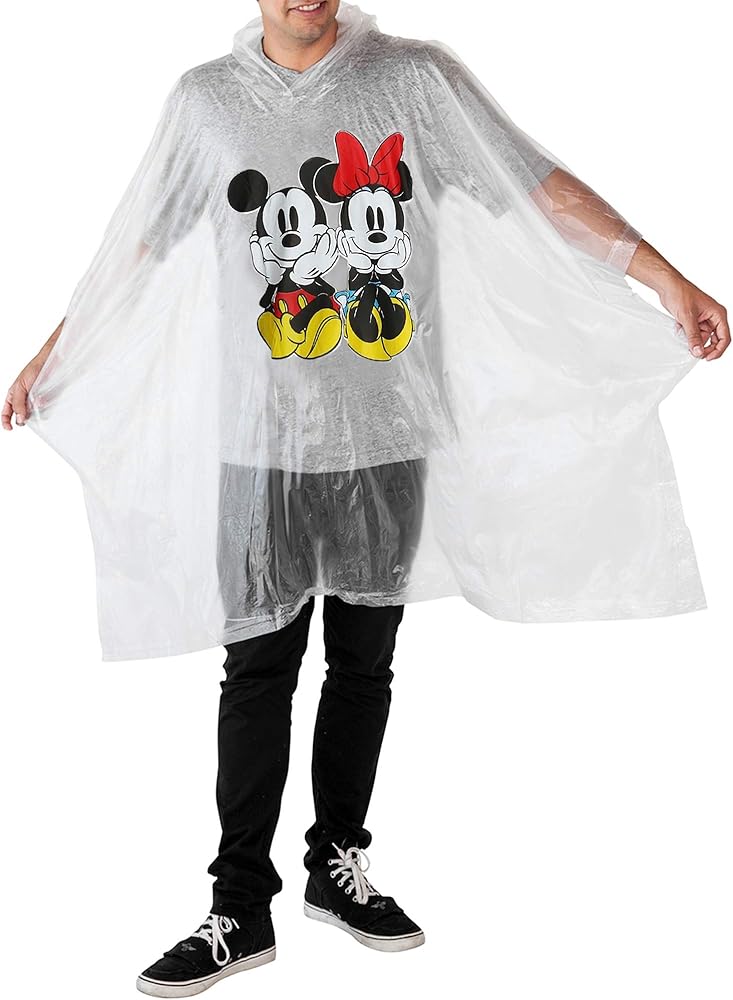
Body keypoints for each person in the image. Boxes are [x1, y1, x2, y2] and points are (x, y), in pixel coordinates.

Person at [4, 1, 728, 997]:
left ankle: (336, 865)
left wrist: (662, 275)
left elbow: (530, 185)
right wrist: (55, 354)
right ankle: (237, 905)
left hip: (385, 433)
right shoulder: (207, 103)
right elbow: (139, 243)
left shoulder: (412, 80)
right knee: (257, 670)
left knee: (362, 662)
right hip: (260, 443)